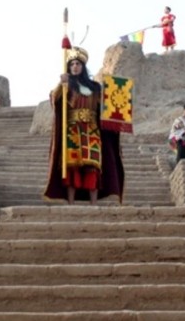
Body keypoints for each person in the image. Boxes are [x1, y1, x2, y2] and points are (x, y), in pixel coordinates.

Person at [43, 46, 124, 205]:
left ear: (83, 67)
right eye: (72, 64)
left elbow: (108, 108)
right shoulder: (66, 86)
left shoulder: (95, 87)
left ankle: (94, 204)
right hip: (72, 130)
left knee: (92, 166)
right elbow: (55, 100)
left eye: (78, 64)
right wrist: (61, 83)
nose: (75, 66)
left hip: (92, 131)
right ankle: (71, 203)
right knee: (72, 167)